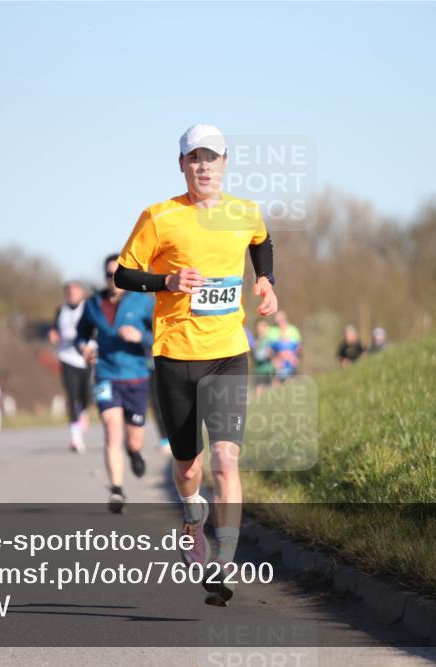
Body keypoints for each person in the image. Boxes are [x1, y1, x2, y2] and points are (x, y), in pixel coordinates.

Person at [113, 124, 278, 606]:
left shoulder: (244, 211)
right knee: (188, 469)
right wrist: (167, 280)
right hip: (175, 357)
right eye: (194, 158)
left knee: (227, 460)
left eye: (212, 157)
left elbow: (261, 242)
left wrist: (265, 280)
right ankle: (192, 516)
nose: (204, 166)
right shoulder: (160, 217)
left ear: (226, 162)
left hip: (228, 351)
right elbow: (124, 272)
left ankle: (224, 565)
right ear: (182, 164)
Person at [76, 254, 154, 514]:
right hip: (106, 375)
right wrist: (84, 347)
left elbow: (161, 333)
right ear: (105, 277)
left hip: (136, 377)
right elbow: (82, 333)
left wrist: (140, 335)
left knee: (133, 440)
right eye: (110, 275)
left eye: (119, 274)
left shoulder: (143, 301)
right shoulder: (93, 304)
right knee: (111, 430)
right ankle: (117, 490)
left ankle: (134, 453)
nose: (114, 280)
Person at [49, 282, 91, 453]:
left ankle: (83, 412)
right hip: (67, 357)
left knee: (85, 395)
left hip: (86, 357)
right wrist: (53, 334)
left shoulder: (88, 308)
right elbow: (54, 328)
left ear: (81, 293)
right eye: (69, 292)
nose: (72, 295)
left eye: (75, 292)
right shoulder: (60, 310)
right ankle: (75, 438)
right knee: (71, 395)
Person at [267, 310, 301, 386]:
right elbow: (269, 350)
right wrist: (275, 359)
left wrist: (294, 357)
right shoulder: (272, 331)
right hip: (277, 362)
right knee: (277, 383)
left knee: (291, 383)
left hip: (291, 361)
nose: (280, 322)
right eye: (278, 320)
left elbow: (299, 348)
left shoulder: (293, 330)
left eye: (282, 320)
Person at [251, 318, 275, 396]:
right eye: (259, 326)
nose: (261, 329)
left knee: (271, 393)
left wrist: (271, 353)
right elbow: (253, 355)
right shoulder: (254, 340)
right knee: (259, 392)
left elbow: (276, 353)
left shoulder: (270, 340)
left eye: (263, 326)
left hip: (269, 370)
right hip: (258, 371)